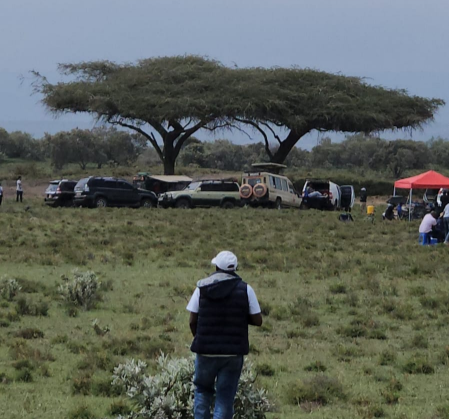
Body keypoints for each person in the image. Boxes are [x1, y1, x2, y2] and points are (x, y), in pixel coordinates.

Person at [187, 251, 262, 419]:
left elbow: (192, 320)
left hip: (205, 351)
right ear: (235, 268)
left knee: (202, 391)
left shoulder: (202, 288)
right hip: (232, 353)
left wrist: (199, 339)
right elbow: (258, 320)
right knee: (225, 397)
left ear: (216, 266)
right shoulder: (245, 289)